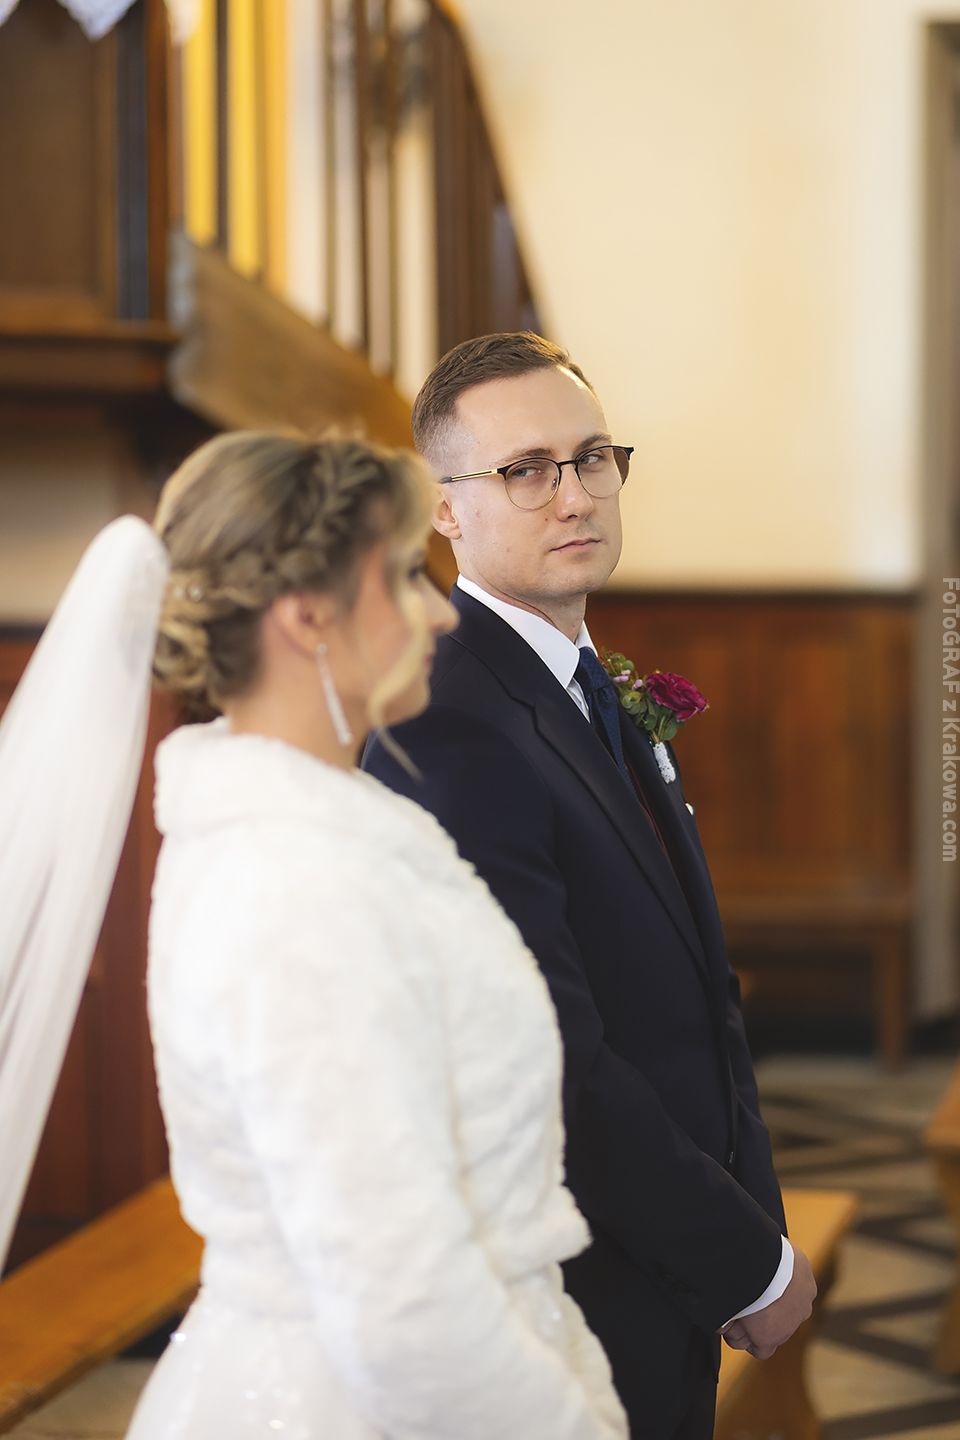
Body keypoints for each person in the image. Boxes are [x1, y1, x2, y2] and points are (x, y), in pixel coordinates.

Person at [0, 431, 627, 1439]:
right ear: (307, 618)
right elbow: (403, 1301)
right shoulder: (294, 887)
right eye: (402, 576)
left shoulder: (338, 834)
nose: (439, 610)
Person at [364, 334, 817, 1440]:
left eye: (592, 457)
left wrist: (752, 1210)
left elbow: (701, 988)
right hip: (576, 1285)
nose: (574, 496)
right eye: (525, 469)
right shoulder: (449, 721)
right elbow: (547, 1060)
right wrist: (744, 1261)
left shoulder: (581, 681)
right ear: (444, 508)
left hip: (661, 1257)